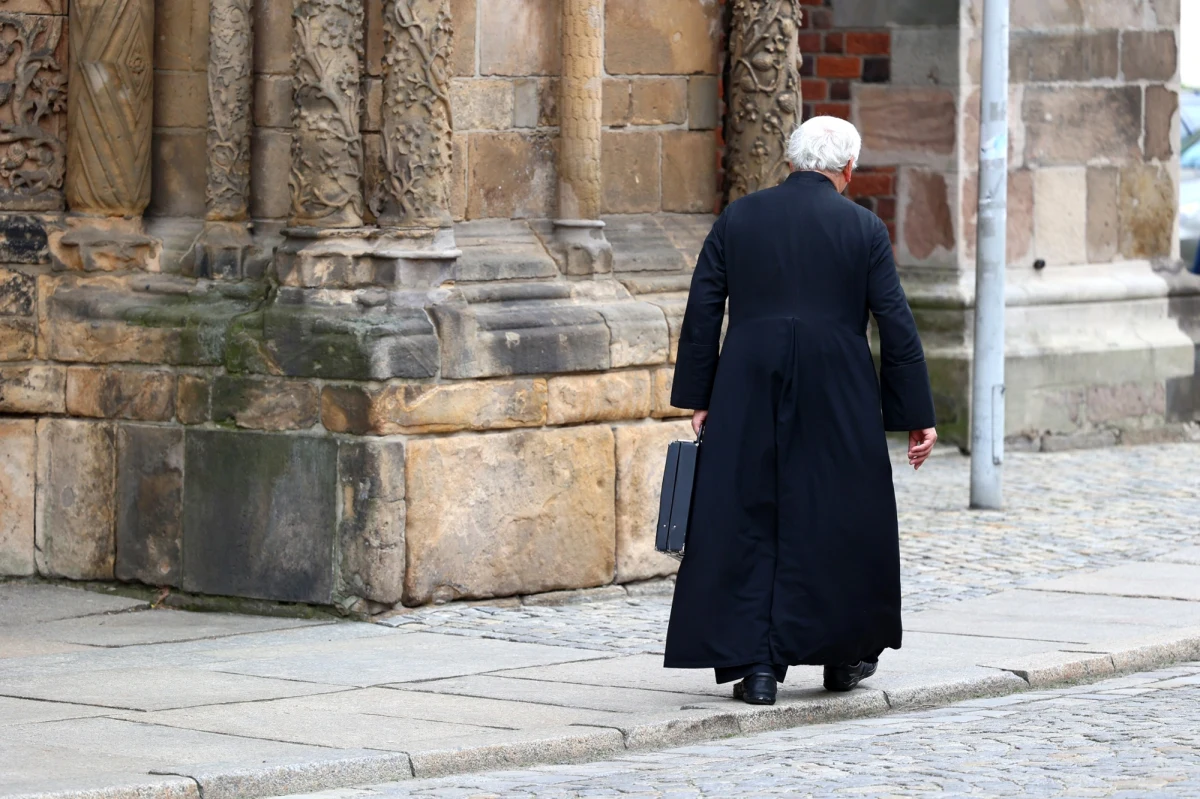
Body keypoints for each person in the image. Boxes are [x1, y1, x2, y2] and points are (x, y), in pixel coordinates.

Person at [663, 116, 938, 706]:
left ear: (790, 162)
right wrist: (916, 412)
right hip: (838, 385)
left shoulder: (739, 218)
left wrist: (700, 396)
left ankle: (758, 669)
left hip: (746, 379)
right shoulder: (863, 227)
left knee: (747, 515)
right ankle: (843, 657)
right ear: (847, 170)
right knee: (839, 515)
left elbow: (704, 307)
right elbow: (895, 322)